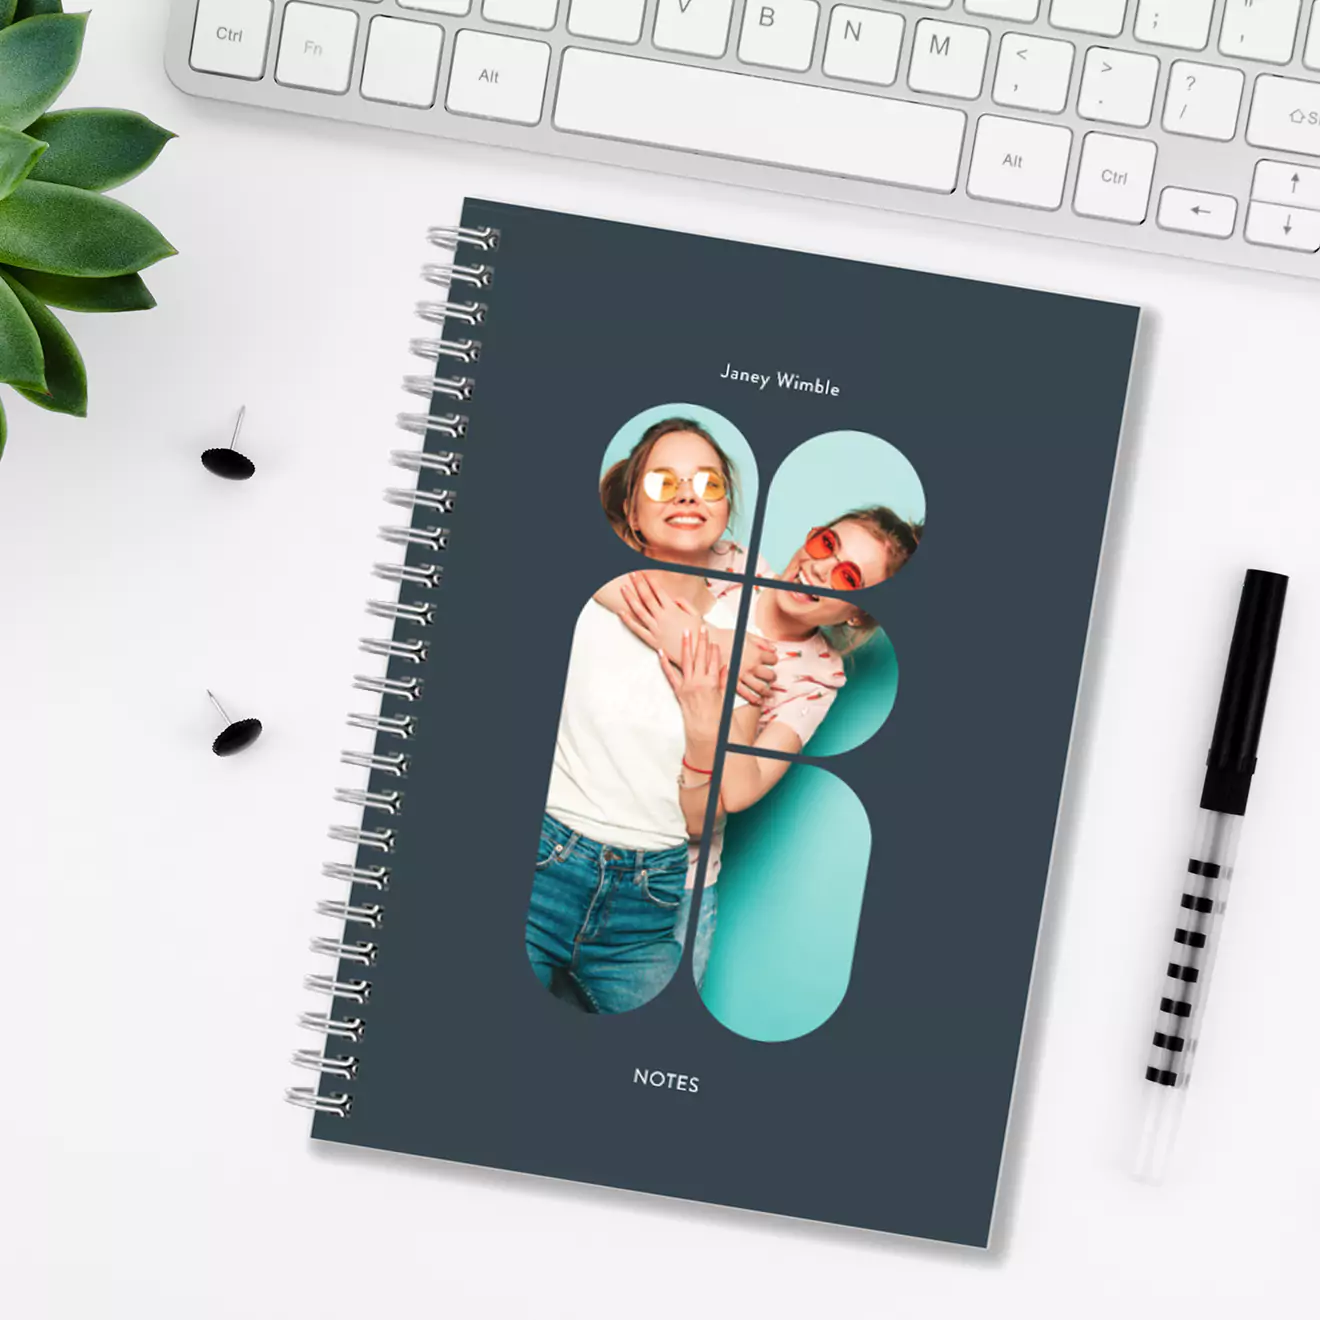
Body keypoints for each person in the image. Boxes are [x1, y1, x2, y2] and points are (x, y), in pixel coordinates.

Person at [525, 418, 775, 1014]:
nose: (689, 493)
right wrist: (694, 635)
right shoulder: (589, 592)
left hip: (653, 894)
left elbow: (708, 813)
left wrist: (703, 711)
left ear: (726, 512)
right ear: (631, 513)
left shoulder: (749, 643)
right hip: (544, 860)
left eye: (709, 483)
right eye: (664, 481)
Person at [613, 508, 922, 977]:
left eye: (848, 576)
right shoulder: (730, 564)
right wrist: (714, 643)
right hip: (587, 826)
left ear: (857, 613)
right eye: (826, 545)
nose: (820, 568)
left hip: (679, 885)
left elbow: (738, 791)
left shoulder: (820, 674)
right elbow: (621, 588)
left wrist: (741, 674)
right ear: (810, 536)